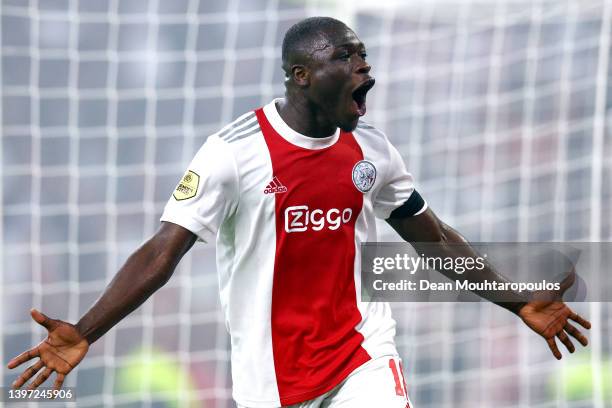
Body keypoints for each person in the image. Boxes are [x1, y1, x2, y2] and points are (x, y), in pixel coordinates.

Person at [8, 17, 591, 408]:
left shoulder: (374, 152)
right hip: (269, 379)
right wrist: (85, 331)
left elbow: (433, 238)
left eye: (365, 56)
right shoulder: (232, 154)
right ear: (301, 76)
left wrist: (518, 298)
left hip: (361, 355)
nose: (363, 67)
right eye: (346, 56)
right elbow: (162, 253)